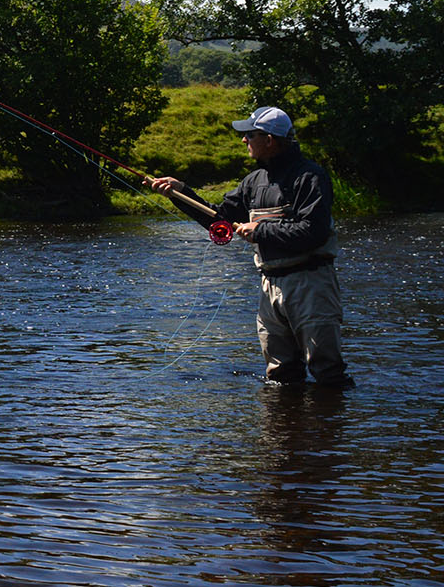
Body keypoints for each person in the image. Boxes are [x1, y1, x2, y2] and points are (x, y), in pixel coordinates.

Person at [148, 107, 354, 389]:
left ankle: (332, 431)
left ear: (269, 139)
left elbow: (314, 232)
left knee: (327, 372)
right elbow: (218, 220)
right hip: (270, 284)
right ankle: (286, 432)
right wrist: (181, 193)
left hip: (311, 283)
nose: (244, 140)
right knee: (280, 376)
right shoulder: (253, 181)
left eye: (249, 135)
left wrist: (260, 230)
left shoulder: (310, 177)